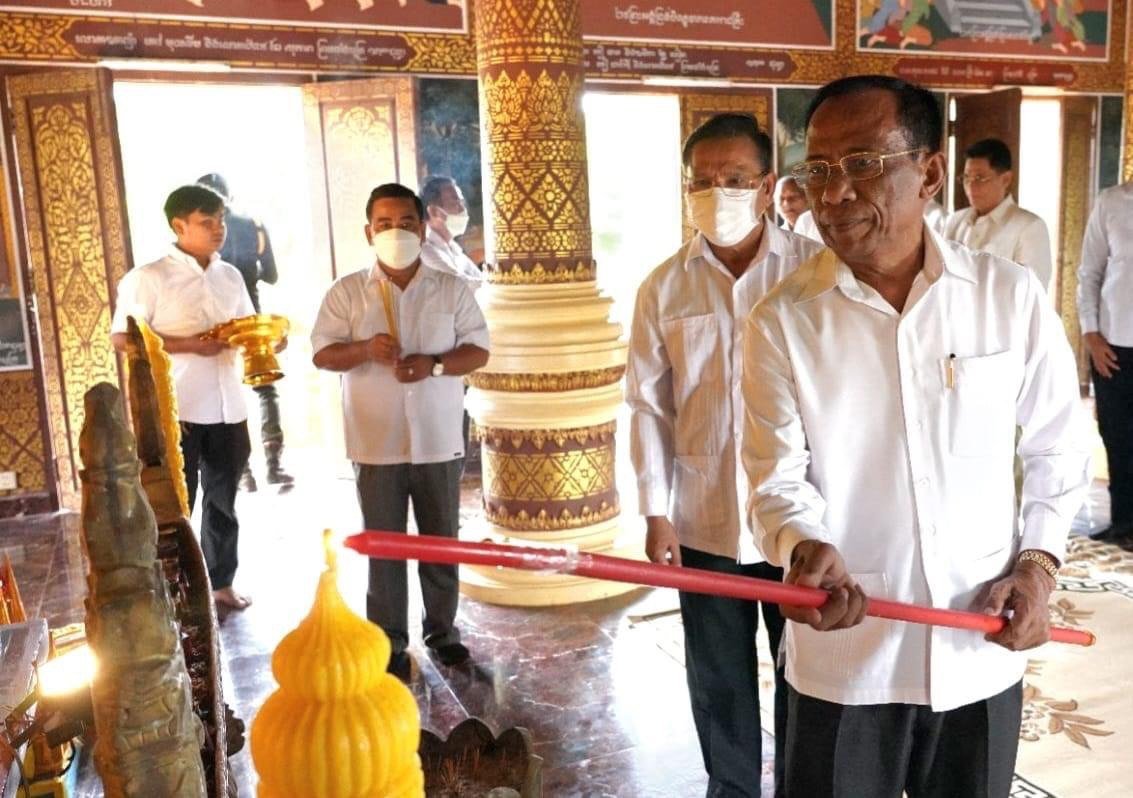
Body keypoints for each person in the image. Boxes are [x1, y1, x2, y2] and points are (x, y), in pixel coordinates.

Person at [743, 76, 1090, 797]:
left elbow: (1057, 445)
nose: (834, 193)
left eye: (863, 164)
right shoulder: (782, 320)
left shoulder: (1007, 295)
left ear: (929, 173)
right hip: (848, 656)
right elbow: (775, 477)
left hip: (978, 648)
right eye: (818, 169)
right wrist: (801, 547)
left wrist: (1037, 566)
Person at [628, 113, 821, 798]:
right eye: (702, 181)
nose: (718, 193)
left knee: (805, 668)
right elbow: (648, 405)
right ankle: (731, 788)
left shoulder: (814, 271)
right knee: (716, 674)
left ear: (767, 186)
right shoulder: (663, 286)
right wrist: (656, 511)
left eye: (735, 178)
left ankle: (801, 784)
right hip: (703, 516)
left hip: (800, 520)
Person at [310, 183, 489, 682]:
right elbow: (322, 353)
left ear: (423, 227)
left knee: (441, 541)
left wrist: (434, 365)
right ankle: (388, 639)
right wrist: (365, 349)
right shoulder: (347, 292)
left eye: (406, 223)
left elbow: (478, 350)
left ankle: (443, 633)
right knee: (384, 546)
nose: (396, 232)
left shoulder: (450, 288)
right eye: (384, 224)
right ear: (369, 232)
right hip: (376, 442)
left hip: (438, 439)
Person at [112, 184, 271, 612]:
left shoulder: (230, 275)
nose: (219, 228)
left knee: (224, 502)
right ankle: (175, 590)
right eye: (206, 221)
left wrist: (263, 340)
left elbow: (246, 326)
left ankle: (220, 583)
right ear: (178, 225)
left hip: (229, 407)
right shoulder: (149, 277)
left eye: (221, 219)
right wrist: (189, 345)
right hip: (177, 408)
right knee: (177, 504)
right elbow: (123, 337)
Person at [195, 173, 294, 492]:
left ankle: (243, 472)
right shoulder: (254, 226)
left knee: (226, 393)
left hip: (215, 324)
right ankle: (274, 465)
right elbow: (273, 275)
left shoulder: (200, 235)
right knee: (265, 389)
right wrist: (251, 273)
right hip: (252, 319)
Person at [1078, 180, 1133, 546]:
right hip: (1113, 345)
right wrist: (1091, 333)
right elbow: (1089, 272)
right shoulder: (1112, 202)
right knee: (1116, 434)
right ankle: (1123, 523)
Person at [943, 138, 1054, 292]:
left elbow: (1032, 292)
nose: (971, 186)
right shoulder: (954, 221)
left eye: (980, 178)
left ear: (1006, 179)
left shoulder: (1029, 227)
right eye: (967, 178)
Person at [419, 175, 484, 289]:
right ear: (434, 211)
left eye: (462, 203)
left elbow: (479, 278)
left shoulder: (453, 248)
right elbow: (460, 285)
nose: (463, 210)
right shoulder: (425, 250)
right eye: (455, 203)